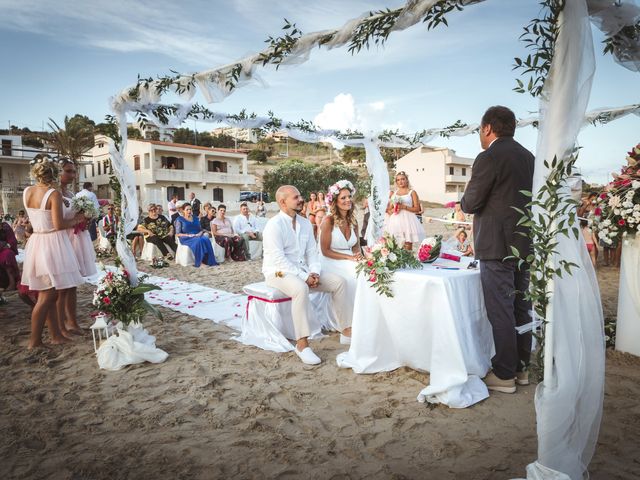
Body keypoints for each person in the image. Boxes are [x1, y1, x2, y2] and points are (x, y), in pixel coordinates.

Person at [460, 105, 535, 394]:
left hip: (496, 246)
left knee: (501, 309)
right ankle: (521, 368)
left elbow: (471, 202)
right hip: (524, 245)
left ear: (488, 128)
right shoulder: (529, 158)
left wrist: (467, 198)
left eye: (480, 130)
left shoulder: (489, 156)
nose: (480, 135)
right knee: (521, 307)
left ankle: (504, 374)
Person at [262, 185, 350, 365]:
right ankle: (302, 344)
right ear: (282, 202)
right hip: (277, 272)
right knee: (301, 288)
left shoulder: (304, 223)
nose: (301, 199)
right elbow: (278, 259)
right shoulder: (273, 225)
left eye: (300, 195)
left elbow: (312, 253)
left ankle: (346, 331)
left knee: (339, 282)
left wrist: (315, 272)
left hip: (303, 270)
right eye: (296, 197)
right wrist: (304, 277)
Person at [21, 155, 84, 349]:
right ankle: (35, 340)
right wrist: (78, 219)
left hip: (36, 242)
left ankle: (56, 334)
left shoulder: (26, 192)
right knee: (47, 295)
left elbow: (34, 220)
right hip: (51, 243)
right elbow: (59, 224)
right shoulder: (53, 194)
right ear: (54, 174)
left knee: (49, 292)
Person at [319, 181, 362, 342]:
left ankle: (361, 318)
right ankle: (346, 325)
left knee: (364, 272)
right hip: (330, 259)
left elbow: (356, 246)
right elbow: (325, 250)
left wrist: (358, 256)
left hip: (349, 258)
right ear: (335, 201)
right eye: (343, 197)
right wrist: (350, 258)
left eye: (349, 196)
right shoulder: (328, 221)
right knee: (353, 277)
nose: (347, 200)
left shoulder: (353, 221)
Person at [59, 158, 96, 336]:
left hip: (76, 237)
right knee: (63, 285)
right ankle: (61, 324)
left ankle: (72, 321)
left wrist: (84, 217)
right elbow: (56, 221)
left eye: (74, 171)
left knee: (73, 283)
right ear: (58, 171)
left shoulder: (72, 193)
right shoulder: (54, 193)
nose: (72, 175)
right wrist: (77, 219)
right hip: (64, 239)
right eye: (68, 171)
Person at [384, 171, 425, 250]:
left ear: (407, 180)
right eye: (398, 180)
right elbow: (390, 209)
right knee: (396, 244)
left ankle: (408, 261)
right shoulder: (394, 194)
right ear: (396, 182)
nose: (400, 181)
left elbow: (417, 209)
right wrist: (392, 209)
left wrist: (404, 207)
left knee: (408, 244)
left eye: (402, 179)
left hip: (408, 220)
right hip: (396, 221)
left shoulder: (412, 192)